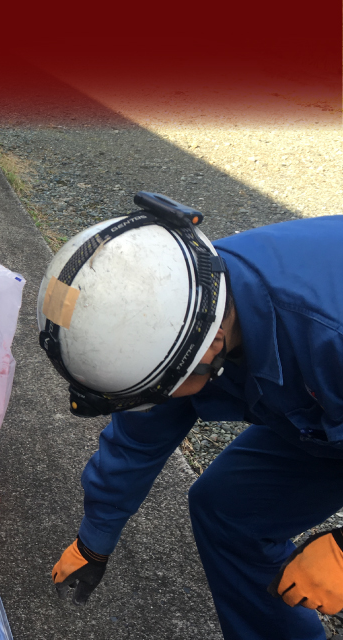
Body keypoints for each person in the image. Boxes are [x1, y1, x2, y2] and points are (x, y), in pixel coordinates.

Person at [37, 192, 343, 639]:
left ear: (211, 347)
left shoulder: (328, 334)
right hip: (321, 411)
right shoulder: (182, 306)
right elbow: (140, 437)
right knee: (228, 509)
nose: (153, 402)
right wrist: (95, 539)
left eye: (153, 392)